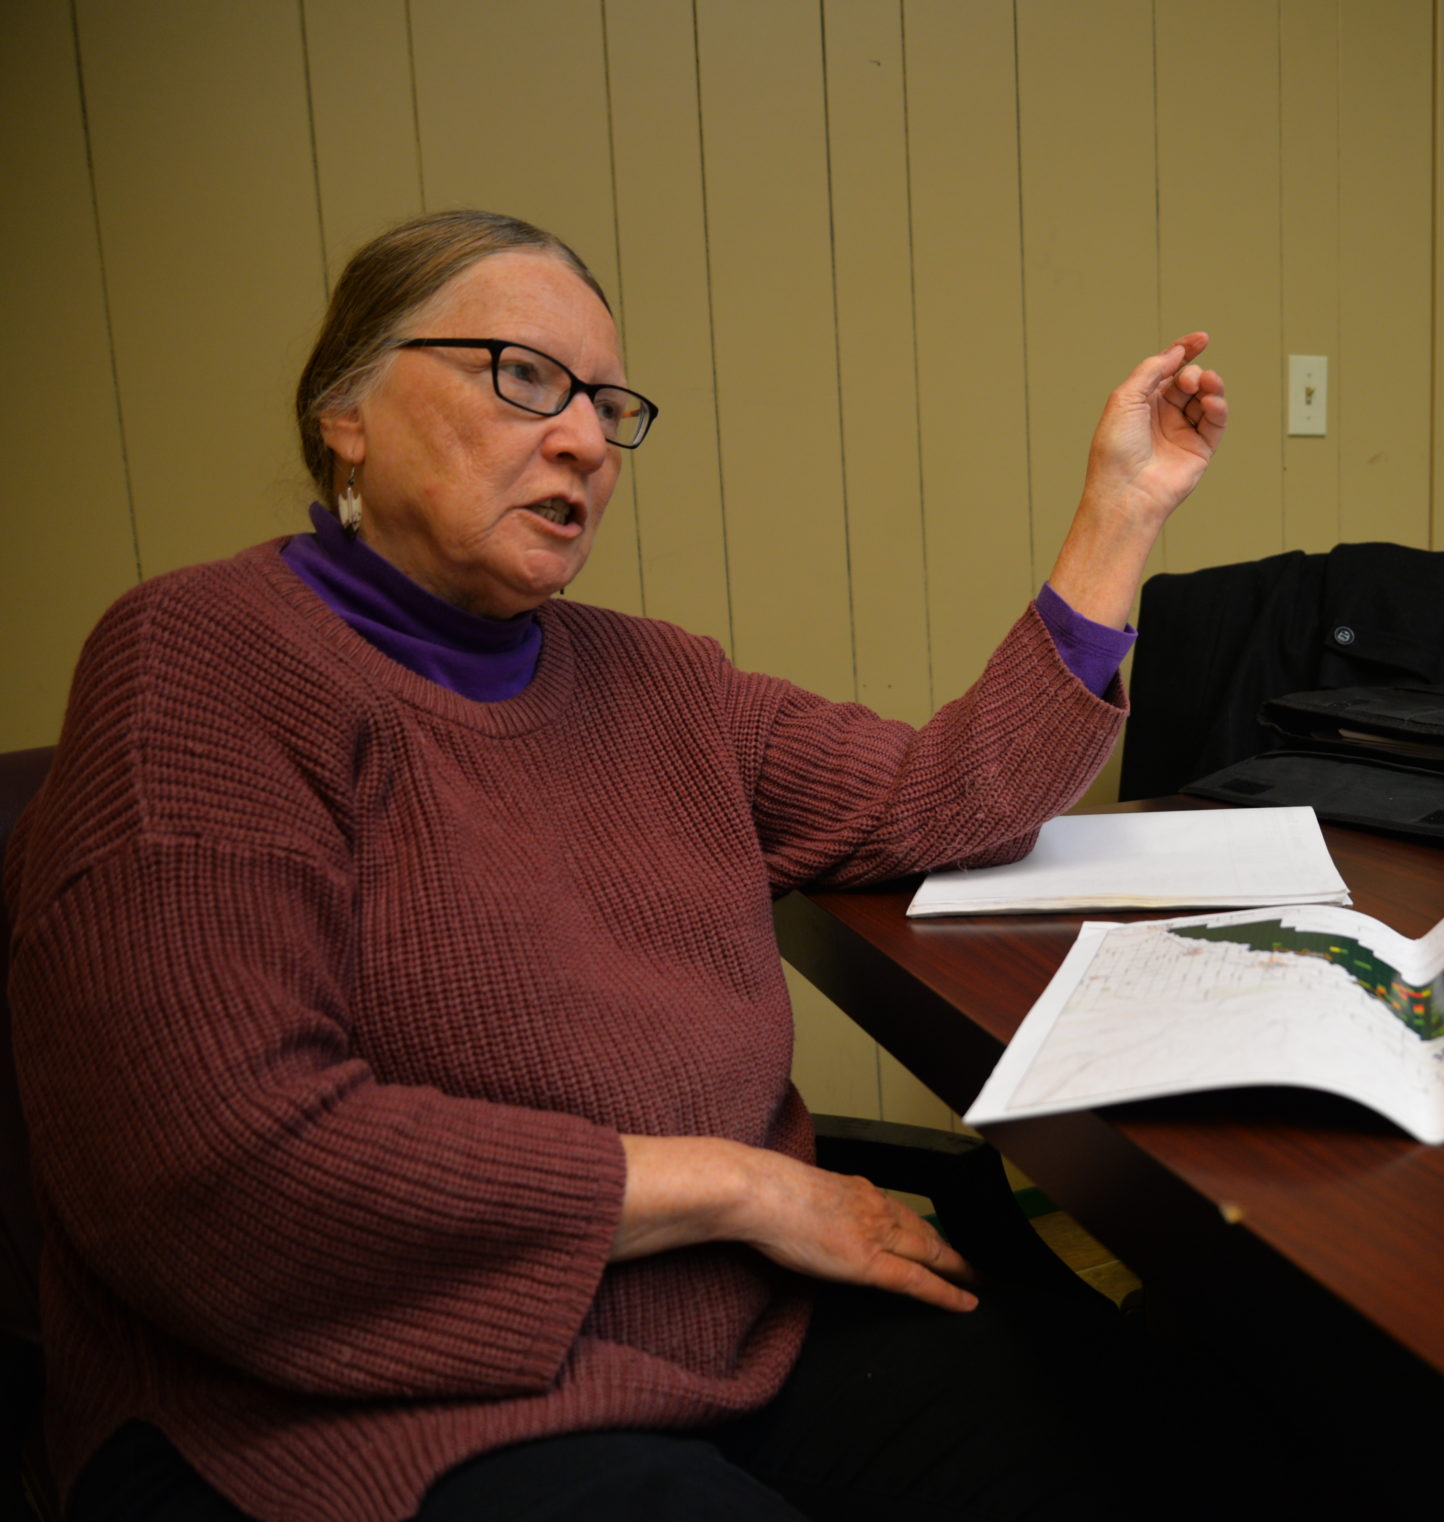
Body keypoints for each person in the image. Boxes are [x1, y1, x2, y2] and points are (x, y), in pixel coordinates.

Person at [1, 209, 1227, 1522]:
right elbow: (227, 1178)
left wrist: (1120, 509)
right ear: (343, 411)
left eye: (606, 402)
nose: (584, 435)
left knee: (1167, 1438)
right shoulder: (197, 663)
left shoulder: (664, 681)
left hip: (731, 1333)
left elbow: (947, 797)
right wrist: (741, 1186)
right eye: (521, 376)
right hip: (365, 1410)